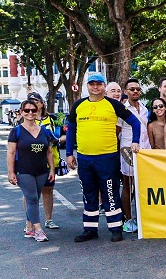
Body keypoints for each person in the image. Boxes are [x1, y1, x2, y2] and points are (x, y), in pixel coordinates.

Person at [66, 73, 141, 243]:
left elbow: (135, 123)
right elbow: (71, 130)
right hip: (85, 158)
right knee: (89, 194)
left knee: (110, 193)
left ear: (104, 86)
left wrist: (135, 141)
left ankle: (115, 228)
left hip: (107, 158)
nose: (95, 87)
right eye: (92, 84)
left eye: (98, 84)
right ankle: (90, 229)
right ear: (87, 86)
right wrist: (69, 153)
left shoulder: (113, 104)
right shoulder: (78, 105)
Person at [7, 100, 56, 242]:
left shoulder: (44, 131)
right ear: (21, 112)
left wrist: (52, 169)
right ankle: (38, 230)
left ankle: (29, 227)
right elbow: (11, 152)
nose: (30, 113)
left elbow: (49, 152)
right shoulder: (16, 131)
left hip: (42, 170)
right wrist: (11, 172)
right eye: (26, 110)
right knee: (32, 198)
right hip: (24, 171)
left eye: (33, 110)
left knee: (34, 198)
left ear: (37, 112)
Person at [118, 78, 151, 233]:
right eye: (132, 89)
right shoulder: (122, 109)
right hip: (128, 150)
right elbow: (116, 132)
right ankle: (128, 218)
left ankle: (141, 218)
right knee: (128, 184)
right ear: (126, 92)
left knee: (142, 185)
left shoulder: (144, 109)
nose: (135, 91)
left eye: (138, 89)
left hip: (145, 149)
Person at [26, 93, 61, 231]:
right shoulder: (26, 119)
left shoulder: (52, 119)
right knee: (29, 193)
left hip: (49, 160)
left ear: (42, 103)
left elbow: (61, 135)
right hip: (30, 161)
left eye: (35, 101)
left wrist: (56, 139)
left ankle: (48, 219)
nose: (33, 104)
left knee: (48, 190)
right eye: (30, 101)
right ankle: (29, 223)